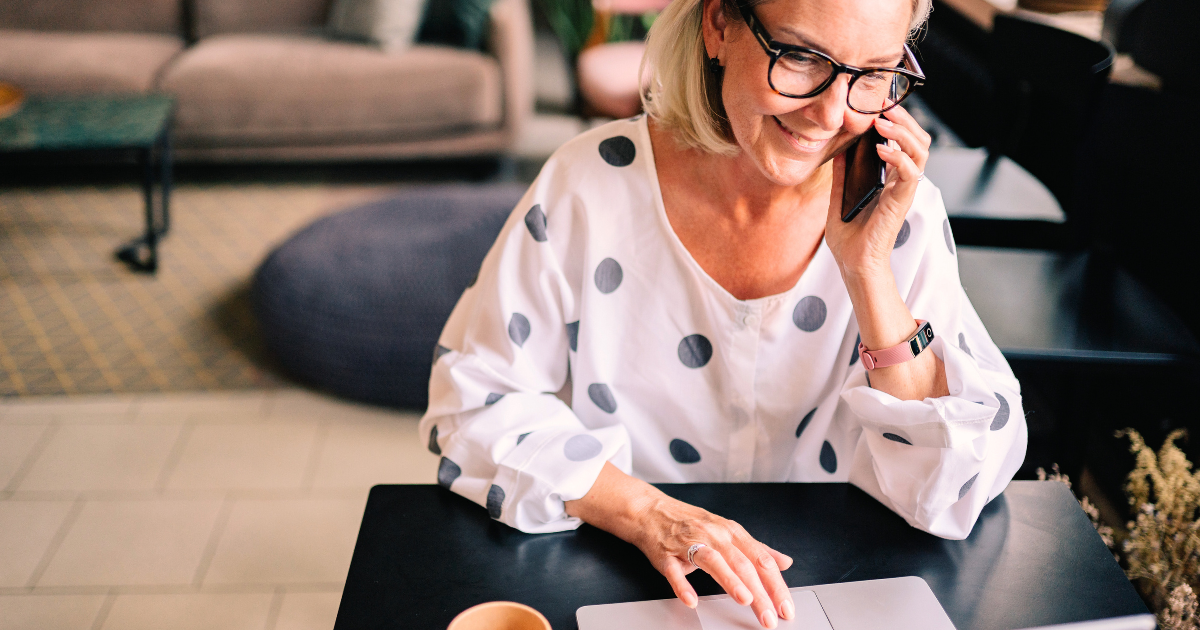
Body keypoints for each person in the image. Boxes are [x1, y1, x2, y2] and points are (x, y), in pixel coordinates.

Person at [420, 0, 1028, 626]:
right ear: (719, 25)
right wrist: (646, 514)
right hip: (619, 572)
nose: (830, 113)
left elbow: (952, 489)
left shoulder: (901, 213)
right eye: (799, 57)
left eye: (872, 74)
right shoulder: (588, 186)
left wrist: (869, 273)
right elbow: (472, 402)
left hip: (834, 590)